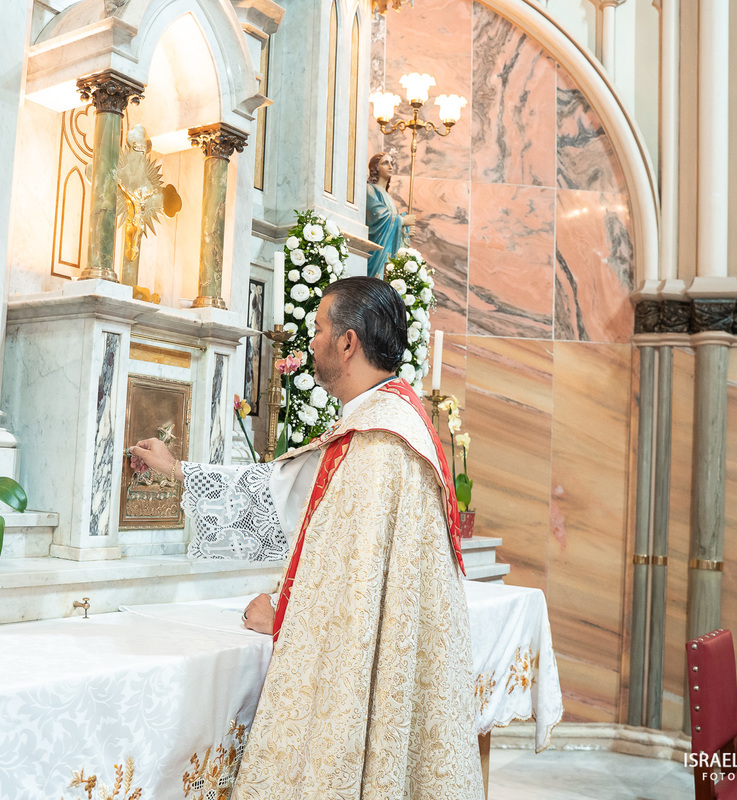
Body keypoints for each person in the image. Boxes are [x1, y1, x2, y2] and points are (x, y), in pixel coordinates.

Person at [129, 277, 481, 799]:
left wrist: (282, 616)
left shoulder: (380, 444)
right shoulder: (385, 420)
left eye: (318, 328)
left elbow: (351, 589)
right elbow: (289, 492)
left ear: (348, 342)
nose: (311, 342)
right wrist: (178, 470)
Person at [365, 153, 415, 279]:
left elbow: (393, 223)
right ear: (375, 168)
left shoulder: (388, 196)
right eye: (385, 163)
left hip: (389, 249)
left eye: (391, 163)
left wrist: (405, 230)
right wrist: (402, 220)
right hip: (378, 247)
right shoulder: (370, 189)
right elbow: (376, 214)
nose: (390, 166)